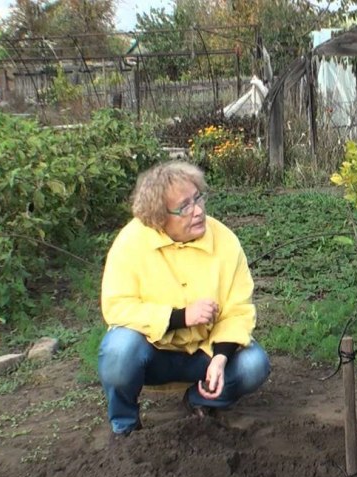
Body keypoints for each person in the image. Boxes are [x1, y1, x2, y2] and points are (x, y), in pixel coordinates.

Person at [98, 160, 271, 438]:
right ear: (158, 218)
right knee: (119, 350)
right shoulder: (130, 243)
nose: (198, 211)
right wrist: (180, 317)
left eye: (198, 198)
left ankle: (199, 401)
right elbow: (118, 307)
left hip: (204, 354)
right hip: (151, 354)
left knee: (254, 364)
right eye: (184, 207)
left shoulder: (225, 241)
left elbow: (238, 310)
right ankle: (126, 427)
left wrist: (221, 357)